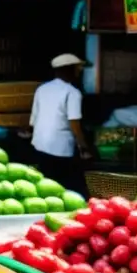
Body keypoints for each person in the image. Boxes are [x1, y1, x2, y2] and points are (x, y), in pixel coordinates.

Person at [30, 54, 91, 195]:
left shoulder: (42, 89)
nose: (79, 72)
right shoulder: (72, 92)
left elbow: (34, 118)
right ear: (68, 70)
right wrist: (84, 147)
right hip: (60, 148)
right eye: (77, 69)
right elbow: (74, 123)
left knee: (45, 185)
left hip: (40, 144)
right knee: (67, 188)